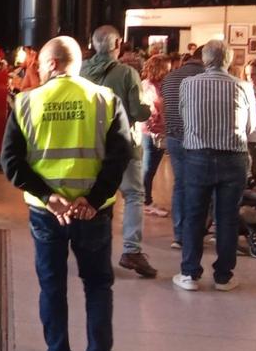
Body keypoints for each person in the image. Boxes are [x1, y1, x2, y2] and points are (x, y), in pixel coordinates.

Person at [1, 35, 133, 351]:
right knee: (97, 284)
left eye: (40, 65)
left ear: (53, 64)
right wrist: (92, 199)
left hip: (47, 215)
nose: (38, 72)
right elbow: (120, 156)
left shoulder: (26, 102)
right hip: (93, 213)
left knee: (52, 286)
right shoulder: (106, 100)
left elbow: (10, 162)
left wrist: (48, 196)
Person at [173, 39, 256, 292]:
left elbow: (183, 116)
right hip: (233, 158)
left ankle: (189, 274)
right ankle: (223, 276)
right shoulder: (243, 86)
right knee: (228, 218)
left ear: (205, 59)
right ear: (229, 60)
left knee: (194, 216)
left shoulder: (188, 84)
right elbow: (250, 127)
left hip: (197, 156)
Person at [81, 25, 157, 278]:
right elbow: (138, 112)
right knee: (134, 194)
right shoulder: (127, 73)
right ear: (118, 44)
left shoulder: (80, 71)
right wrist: (149, 108)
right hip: (123, 146)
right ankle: (131, 250)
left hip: (88, 146)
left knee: (95, 196)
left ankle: (91, 251)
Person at [162, 45, 205, 252]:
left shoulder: (170, 77)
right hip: (197, 138)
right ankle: (198, 232)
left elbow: (164, 109)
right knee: (201, 186)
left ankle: (178, 235)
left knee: (180, 185)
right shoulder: (205, 77)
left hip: (173, 137)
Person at [140, 55, 169, 216]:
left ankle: (147, 198)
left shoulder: (157, 85)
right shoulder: (150, 86)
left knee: (150, 167)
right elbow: (150, 109)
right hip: (152, 131)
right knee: (148, 167)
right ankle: (146, 200)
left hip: (156, 130)